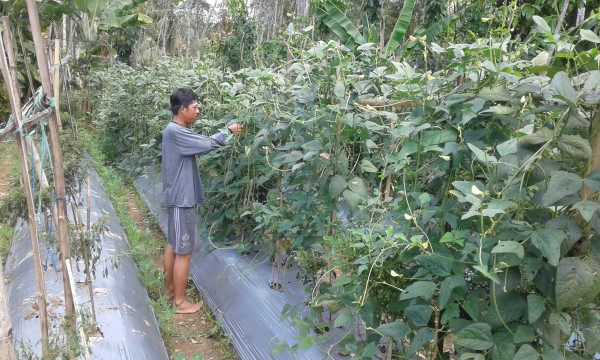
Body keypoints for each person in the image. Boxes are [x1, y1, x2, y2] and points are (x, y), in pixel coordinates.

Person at [162, 88, 243, 314]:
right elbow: (206, 144)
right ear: (182, 109)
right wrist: (229, 131)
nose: (198, 111)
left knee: (174, 245)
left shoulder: (174, 130)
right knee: (183, 251)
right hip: (181, 199)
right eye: (195, 107)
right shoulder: (176, 131)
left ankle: (170, 291)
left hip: (178, 196)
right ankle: (179, 302)